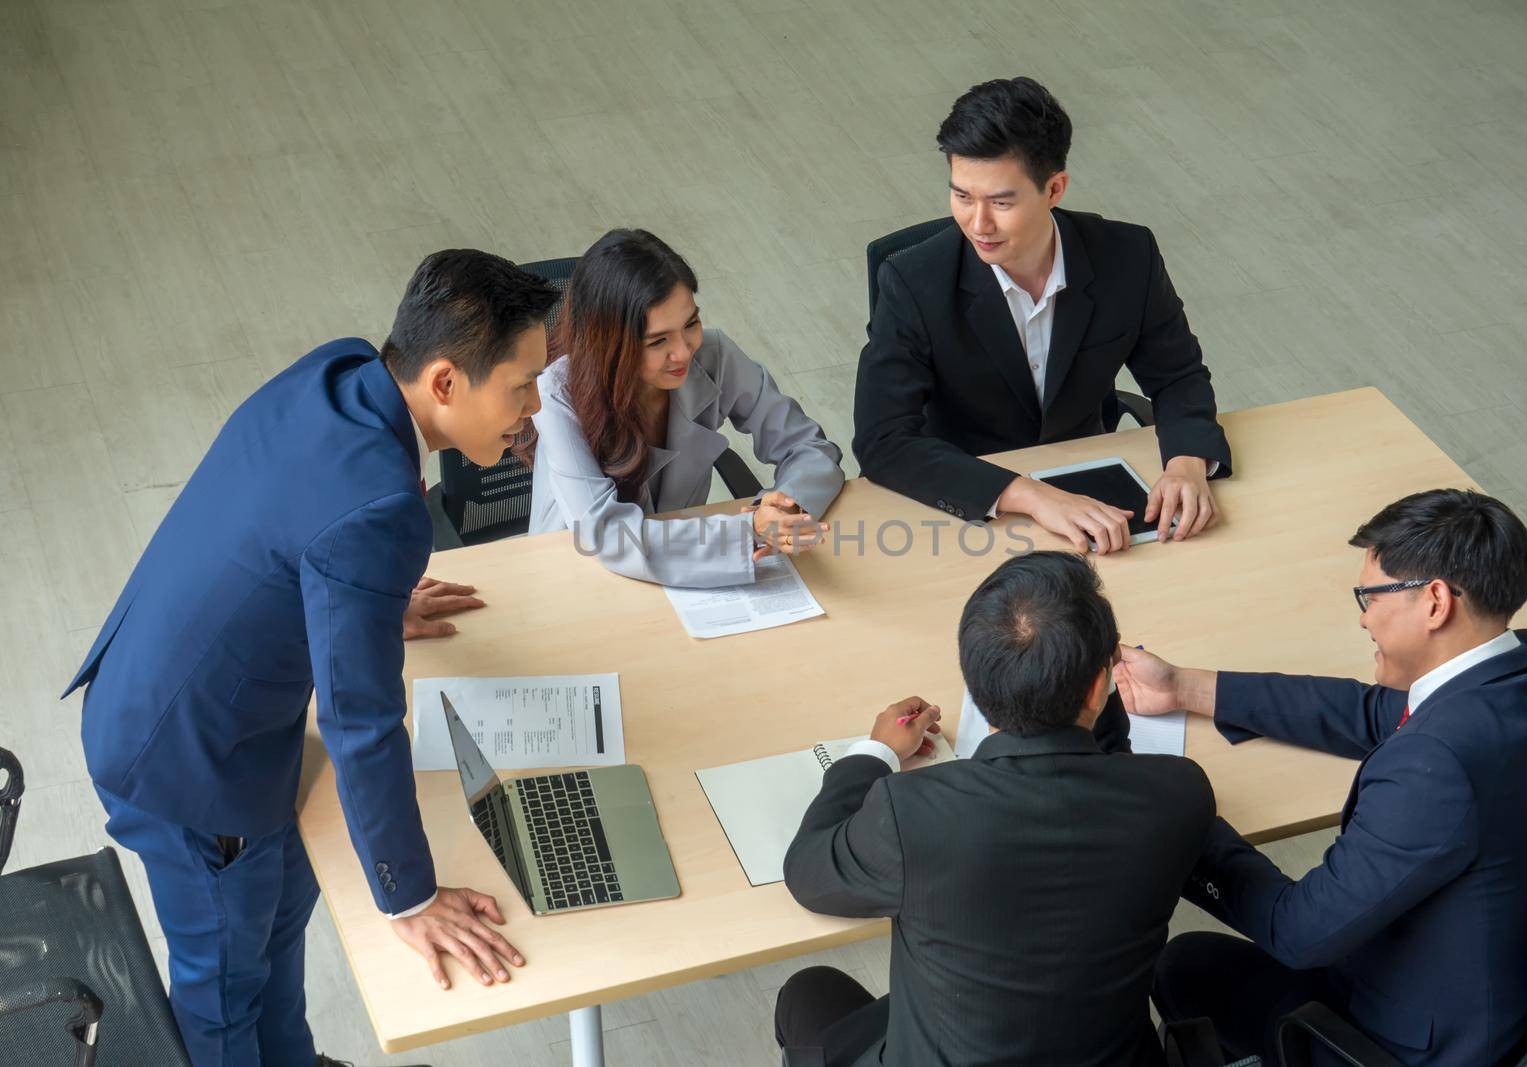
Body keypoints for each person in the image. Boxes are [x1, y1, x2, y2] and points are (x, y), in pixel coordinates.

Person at [63, 250, 559, 1067]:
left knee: (280, 921)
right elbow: (361, 721)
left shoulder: (346, 370)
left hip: (184, 696)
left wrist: (371, 601)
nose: (533, 408)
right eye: (521, 386)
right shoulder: (379, 510)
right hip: (188, 764)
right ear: (444, 382)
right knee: (224, 992)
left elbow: (294, 523)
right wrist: (412, 897)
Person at [1118, 489, 1527, 1066]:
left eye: (1369, 596)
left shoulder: (1434, 768)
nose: (1363, 616)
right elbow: (1376, 712)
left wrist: (1180, 814)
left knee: (1186, 964)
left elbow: (1297, 931)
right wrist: (1185, 687)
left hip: (1432, 1044)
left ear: (1435, 602)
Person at [776, 552, 1215, 1066]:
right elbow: (1109, 776)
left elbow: (808, 872)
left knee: (807, 992)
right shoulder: (1179, 793)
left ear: (976, 682)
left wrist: (874, 753)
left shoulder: (911, 811)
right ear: (1101, 685)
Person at [853, 76, 1231, 554]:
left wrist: (1186, 461)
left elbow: (1177, 375)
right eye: (963, 196)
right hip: (971, 503)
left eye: (1002, 202)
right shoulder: (913, 281)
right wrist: (1031, 496)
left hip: (1087, 480)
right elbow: (882, 440)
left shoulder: (1127, 256)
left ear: (1054, 189)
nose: (978, 224)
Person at [526, 228, 844, 587]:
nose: (684, 352)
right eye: (658, 340)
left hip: (690, 567)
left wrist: (785, 512)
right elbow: (607, 537)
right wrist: (747, 531)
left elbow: (809, 448)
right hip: (582, 580)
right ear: (609, 344)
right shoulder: (556, 392)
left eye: (690, 323)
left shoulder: (714, 354)